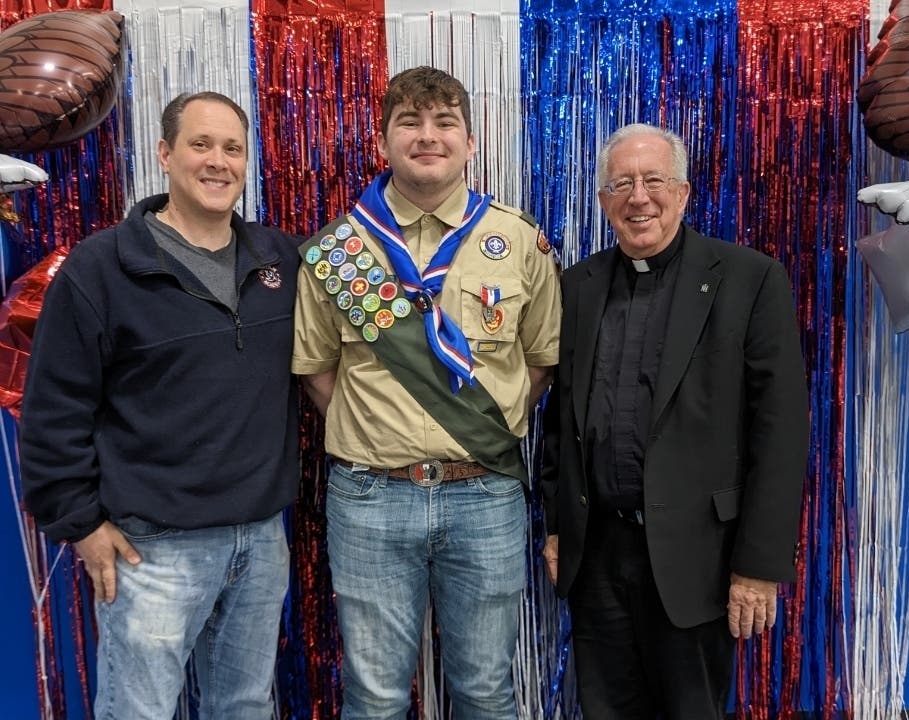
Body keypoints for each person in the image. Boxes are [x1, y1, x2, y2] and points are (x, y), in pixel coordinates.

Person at [19, 91, 301, 720]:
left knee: (245, 707)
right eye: (201, 144)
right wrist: (81, 523)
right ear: (165, 153)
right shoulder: (101, 270)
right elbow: (52, 411)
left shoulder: (280, 259)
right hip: (151, 552)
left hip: (258, 542)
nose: (218, 161)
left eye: (232, 148)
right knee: (138, 712)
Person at [292, 65, 561, 718]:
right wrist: (382, 433)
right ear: (383, 141)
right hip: (370, 496)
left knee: (485, 692)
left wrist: (474, 429)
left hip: (486, 494)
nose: (427, 135)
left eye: (445, 121)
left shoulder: (518, 240)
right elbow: (317, 371)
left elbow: (540, 361)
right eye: (409, 121)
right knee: (377, 697)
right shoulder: (340, 251)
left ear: (471, 143)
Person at [541, 123, 809, 719]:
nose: (639, 197)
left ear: (683, 192)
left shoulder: (749, 279)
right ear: (604, 200)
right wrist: (558, 523)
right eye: (621, 184)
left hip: (701, 562)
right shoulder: (577, 285)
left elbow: (782, 429)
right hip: (598, 560)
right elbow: (561, 419)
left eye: (654, 180)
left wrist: (759, 568)